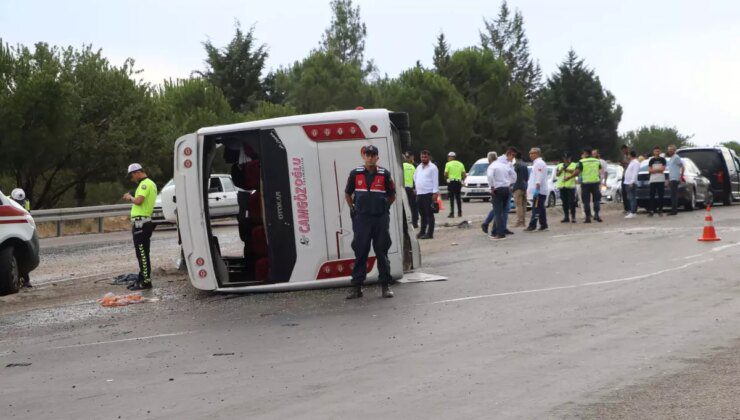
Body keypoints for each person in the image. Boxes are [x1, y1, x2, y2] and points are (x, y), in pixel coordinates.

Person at [344, 145, 396, 299]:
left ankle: (385, 286)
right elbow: (347, 193)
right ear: (363, 156)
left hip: (380, 219)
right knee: (361, 251)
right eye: (368, 154)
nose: (370, 157)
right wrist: (352, 208)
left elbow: (392, 195)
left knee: (382, 251)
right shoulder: (355, 174)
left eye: (373, 155)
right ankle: (356, 287)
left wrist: (385, 208)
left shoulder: (384, 174)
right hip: (362, 219)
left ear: (377, 157)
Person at [122, 163, 158, 290]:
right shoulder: (151, 183)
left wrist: (130, 197)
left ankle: (146, 281)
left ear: (137, 172)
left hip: (141, 224)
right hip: (144, 223)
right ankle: (142, 278)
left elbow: (139, 201)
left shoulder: (144, 184)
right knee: (143, 253)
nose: (132, 178)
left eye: (132, 175)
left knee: (142, 253)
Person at [488, 149, 517, 239]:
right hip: (507, 189)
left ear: (489, 159)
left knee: (497, 212)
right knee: (503, 211)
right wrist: (509, 183)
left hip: (498, 189)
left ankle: (500, 233)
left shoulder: (492, 166)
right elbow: (513, 175)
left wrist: (492, 187)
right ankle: (498, 231)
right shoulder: (504, 165)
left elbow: (489, 176)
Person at [413, 150, 439, 239]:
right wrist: (416, 189)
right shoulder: (419, 167)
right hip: (420, 193)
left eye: (425, 157)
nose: (423, 158)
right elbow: (415, 177)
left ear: (429, 157)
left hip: (429, 193)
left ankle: (430, 233)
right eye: (422, 157)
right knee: (422, 214)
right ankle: (422, 232)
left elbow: (435, 180)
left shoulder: (433, 167)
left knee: (429, 214)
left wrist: (435, 193)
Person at [574, 148, 603, 223]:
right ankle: (596, 214)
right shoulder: (597, 161)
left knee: (586, 201)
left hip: (585, 183)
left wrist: (570, 176)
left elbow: (577, 172)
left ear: (585, 153)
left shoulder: (581, 161)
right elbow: (600, 171)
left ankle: (588, 217)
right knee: (596, 200)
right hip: (595, 182)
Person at [526, 148, 549, 232]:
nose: (530, 155)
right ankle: (544, 225)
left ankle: (532, 225)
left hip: (539, 190)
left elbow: (539, 177)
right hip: (540, 190)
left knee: (536, 208)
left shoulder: (539, 163)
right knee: (541, 208)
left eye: (533, 153)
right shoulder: (537, 163)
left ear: (537, 154)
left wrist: (537, 188)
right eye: (530, 153)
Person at [555, 153, 578, 223]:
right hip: (562, 186)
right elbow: (557, 174)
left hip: (570, 186)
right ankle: (566, 217)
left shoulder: (574, 165)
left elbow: (576, 173)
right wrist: (562, 169)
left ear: (570, 158)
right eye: (565, 158)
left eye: (567, 158)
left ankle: (573, 217)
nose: (566, 159)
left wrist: (567, 170)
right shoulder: (559, 165)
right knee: (564, 203)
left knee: (572, 202)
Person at [444, 152, 466, 218]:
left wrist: (447, 179)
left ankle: (452, 213)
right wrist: (462, 180)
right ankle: (459, 213)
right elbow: (464, 174)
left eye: (448, 157)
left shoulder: (448, 164)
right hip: (458, 182)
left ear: (451, 157)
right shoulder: (460, 164)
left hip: (451, 182)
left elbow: (445, 174)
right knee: (458, 198)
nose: (448, 158)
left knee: (451, 198)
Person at [647, 146, 668, 217]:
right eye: (656, 151)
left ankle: (660, 210)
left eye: (658, 151)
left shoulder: (663, 160)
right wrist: (657, 170)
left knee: (661, 195)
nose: (657, 152)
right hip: (653, 180)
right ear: (653, 152)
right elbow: (649, 170)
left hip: (661, 180)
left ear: (660, 152)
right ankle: (651, 210)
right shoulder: (651, 160)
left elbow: (663, 169)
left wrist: (654, 170)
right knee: (651, 196)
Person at [481, 151, 498, 234]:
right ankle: (490, 226)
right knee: (497, 209)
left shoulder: (491, 167)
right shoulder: (495, 166)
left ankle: (488, 224)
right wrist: (492, 188)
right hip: (496, 189)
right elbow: (491, 178)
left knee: (496, 209)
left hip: (495, 189)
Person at [512, 148, 529, 228]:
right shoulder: (525, 165)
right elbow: (527, 177)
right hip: (524, 186)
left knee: (518, 205)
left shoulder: (516, 165)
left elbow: (513, 177)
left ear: (515, 157)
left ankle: (519, 222)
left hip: (517, 186)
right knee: (524, 205)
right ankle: (524, 222)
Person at [666, 144, 684, 216]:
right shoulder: (671, 158)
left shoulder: (676, 157)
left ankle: (674, 210)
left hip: (675, 178)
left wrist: (680, 176)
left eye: (671, 150)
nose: (670, 151)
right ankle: (673, 209)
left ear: (674, 150)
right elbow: (671, 170)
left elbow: (682, 167)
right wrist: (668, 179)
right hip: (671, 178)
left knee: (674, 194)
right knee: (672, 194)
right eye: (669, 150)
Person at [402, 151, 419, 228]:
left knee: (406, 206)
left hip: (404, 189)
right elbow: (416, 179)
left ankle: (408, 222)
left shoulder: (401, 166)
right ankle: (414, 222)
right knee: (413, 206)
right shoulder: (413, 166)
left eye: (408, 157)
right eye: (407, 157)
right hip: (411, 189)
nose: (408, 158)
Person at [623, 150, 640, 218]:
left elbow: (635, 172)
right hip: (627, 182)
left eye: (628, 155)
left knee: (632, 197)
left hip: (631, 182)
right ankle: (632, 211)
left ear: (630, 155)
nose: (628, 156)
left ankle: (633, 211)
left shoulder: (635, 162)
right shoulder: (632, 162)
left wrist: (632, 181)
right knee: (630, 197)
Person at [619, 145, 631, 212]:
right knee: (624, 192)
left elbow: (632, 164)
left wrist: (625, 162)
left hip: (629, 176)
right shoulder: (623, 156)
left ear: (627, 149)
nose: (623, 151)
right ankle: (626, 208)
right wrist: (622, 164)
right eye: (622, 150)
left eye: (624, 150)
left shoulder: (630, 156)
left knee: (628, 192)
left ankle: (630, 207)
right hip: (624, 175)